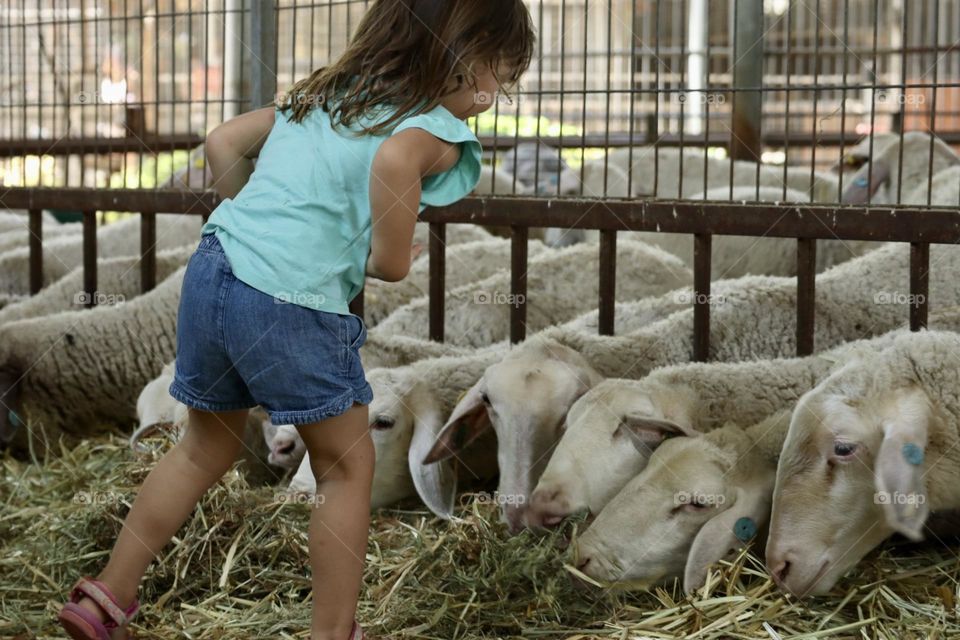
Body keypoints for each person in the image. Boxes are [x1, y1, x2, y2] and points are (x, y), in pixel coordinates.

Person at [56, 1, 535, 639]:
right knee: (346, 468)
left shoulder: (325, 94)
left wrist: (259, 233)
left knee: (203, 446)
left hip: (215, 268)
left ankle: (104, 599)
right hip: (290, 303)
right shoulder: (433, 130)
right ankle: (332, 633)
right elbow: (393, 170)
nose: (497, 95)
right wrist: (390, 260)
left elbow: (223, 141)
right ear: (466, 59)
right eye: (501, 78)